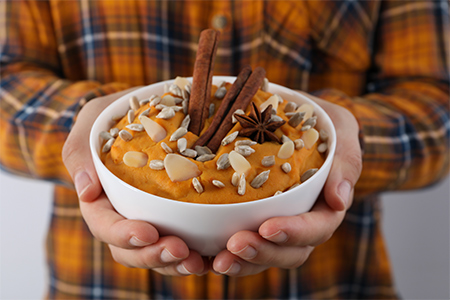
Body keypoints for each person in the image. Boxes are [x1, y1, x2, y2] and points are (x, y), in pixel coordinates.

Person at [1, 0, 448, 299]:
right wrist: (84, 127)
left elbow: (436, 108)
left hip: (332, 282)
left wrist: (346, 144)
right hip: (100, 281)